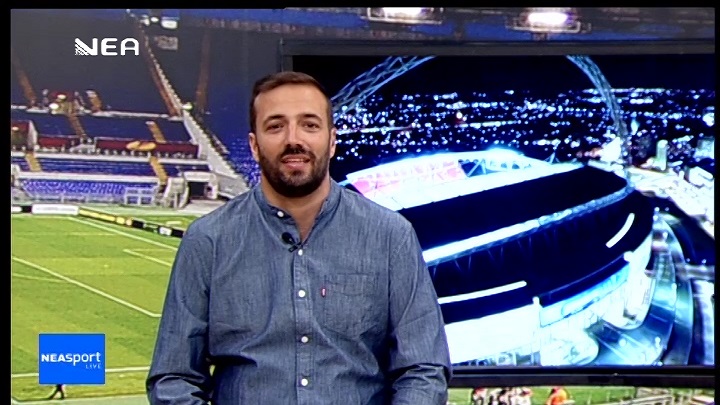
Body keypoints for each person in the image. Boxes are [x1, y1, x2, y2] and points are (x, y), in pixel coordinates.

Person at [146, 71, 452, 404]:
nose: (294, 139)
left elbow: (423, 370)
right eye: (276, 126)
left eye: (309, 125)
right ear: (254, 145)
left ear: (332, 141)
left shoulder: (391, 236)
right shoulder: (209, 240)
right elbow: (173, 379)